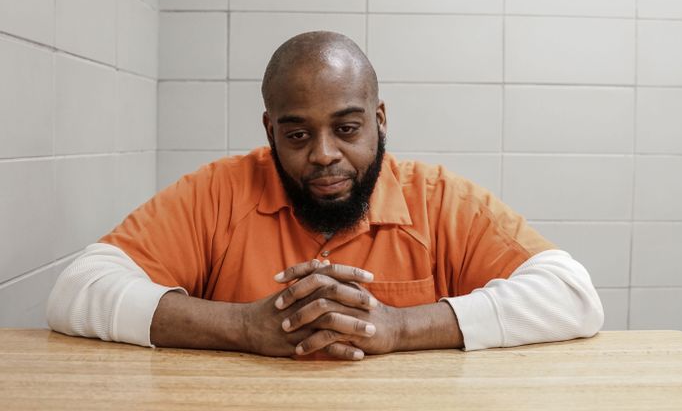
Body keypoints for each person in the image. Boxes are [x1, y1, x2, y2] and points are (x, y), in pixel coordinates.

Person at [46, 31, 603, 361]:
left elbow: (573, 295)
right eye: (297, 135)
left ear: (379, 121)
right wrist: (244, 327)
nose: (323, 154)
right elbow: (78, 288)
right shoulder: (219, 191)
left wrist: (400, 326)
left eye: (347, 128)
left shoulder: (438, 199)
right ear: (269, 132)